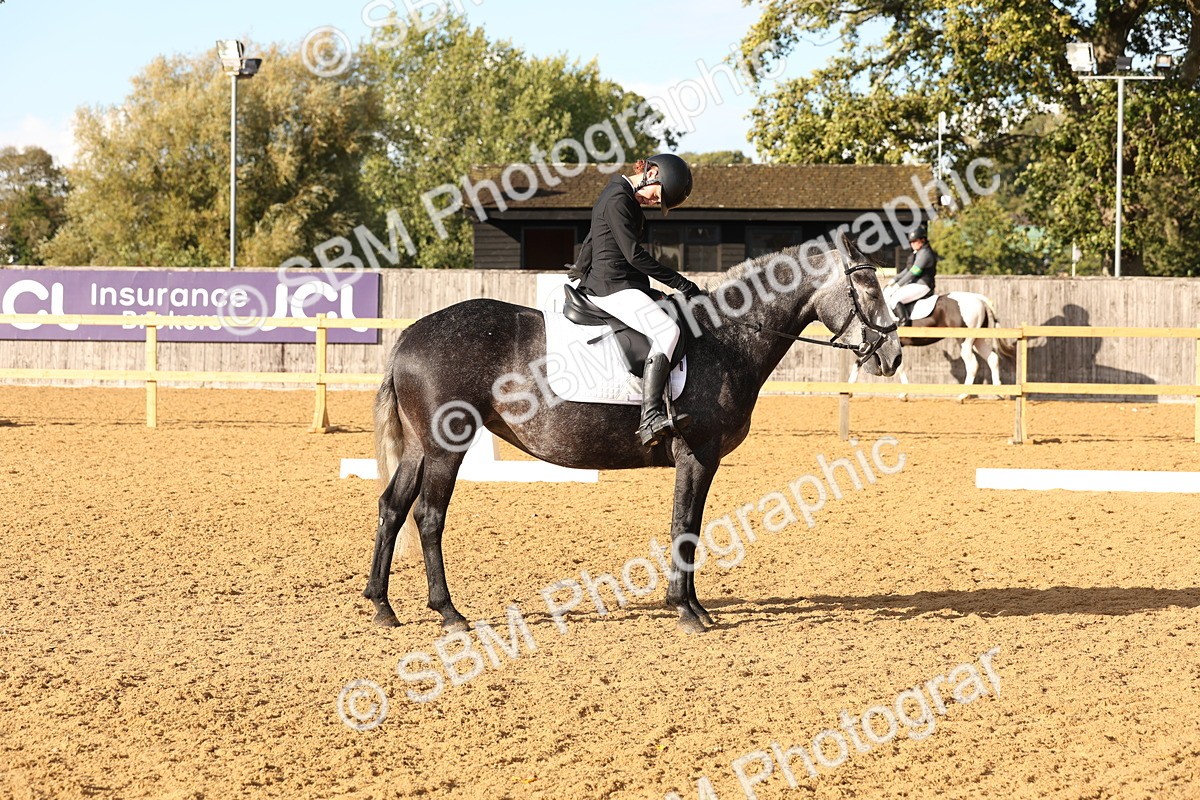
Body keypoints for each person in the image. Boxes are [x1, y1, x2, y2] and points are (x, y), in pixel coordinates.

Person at [569, 153, 703, 446]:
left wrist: (580, 266)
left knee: (671, 310)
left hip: (621, 281)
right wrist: (680, 283)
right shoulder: (619, 199)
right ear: (652, 174)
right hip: (614, 286)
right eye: (658, 196)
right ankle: (650, 417)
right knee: (668, 331)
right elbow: (633, 255)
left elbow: (593, 235)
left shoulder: (617, 194)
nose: (655, 202)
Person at [888, 224, 938, 326]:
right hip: (915, 283)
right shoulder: (918, 253)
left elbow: (914, 272)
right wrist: (894, 280)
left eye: (915, 241)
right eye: (911, 242)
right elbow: (907, 270)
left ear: (922, 240)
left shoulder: (925, 253)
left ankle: (903, 322)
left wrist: (898, 285)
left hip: (923, 285)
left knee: (895, 299)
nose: (912, 244)